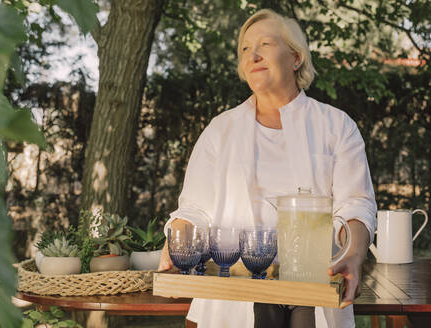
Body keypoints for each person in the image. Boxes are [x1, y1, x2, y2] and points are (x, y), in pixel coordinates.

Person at [158, 8, 376, 328]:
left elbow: (357, 204)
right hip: (236, 289)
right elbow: (194, 210)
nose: (253, 54)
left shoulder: (336, 126)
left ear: (296, 57)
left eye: (266, 44)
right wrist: (177, 239)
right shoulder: (221, 130)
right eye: (245, 49)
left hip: (315, 283)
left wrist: (354, 255)